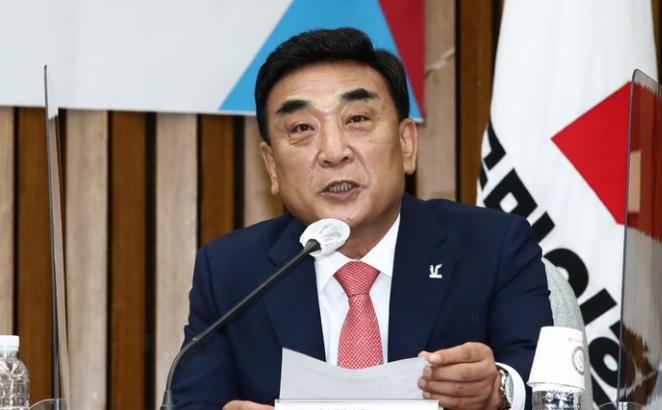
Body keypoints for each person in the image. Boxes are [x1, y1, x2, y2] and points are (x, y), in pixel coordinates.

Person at [172, 27, 552, 410]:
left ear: (406, 143)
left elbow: (548, 384)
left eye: (356, 119)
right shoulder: (231, 274)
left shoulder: (491, 246)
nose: (334, 151)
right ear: (272, 166)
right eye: (302, 128)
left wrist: (499, 388)